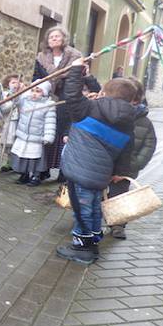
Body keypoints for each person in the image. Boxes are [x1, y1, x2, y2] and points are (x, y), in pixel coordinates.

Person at [55, 58, 137, 265]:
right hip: (101, 175)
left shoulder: (90, 109)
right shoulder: (128, 123)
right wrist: (118, 172)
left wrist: (75, 70)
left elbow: (71, 96)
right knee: (92, 208)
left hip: (79, 171)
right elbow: (126, 152)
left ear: (105, 93)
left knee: (82, 211)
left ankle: (82, 249)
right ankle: (92, 242)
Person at [106, 78, 157, 239]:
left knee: (119, 197)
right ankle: (89, 221)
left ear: (136, 99)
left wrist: (130, 168)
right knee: (96, 194)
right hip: (104, 165)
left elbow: (148, 148)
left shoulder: (144, 122)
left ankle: (118, 225)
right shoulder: (108, 114)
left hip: (125, 169)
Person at [34, 26, 82, 181]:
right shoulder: (41, 57)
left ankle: (63, 171)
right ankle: (43, 169)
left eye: (57, 36)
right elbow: (37, 77)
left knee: (63, 135)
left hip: (65, 99)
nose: (54, 39)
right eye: (51, 37)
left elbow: (77, 78)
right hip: (47, 98)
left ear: (64, 39)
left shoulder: (74, 57)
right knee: (47, 134)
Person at [10, 81, 56, 186]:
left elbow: (50, 122)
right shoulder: (25, 101)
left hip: (37, 137)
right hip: (23, 135)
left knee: (35, 158)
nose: (34, 93)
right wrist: (15, 90)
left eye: (38, 91)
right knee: (23, 156)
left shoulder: (48, 105)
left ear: (44, 93)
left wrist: (48, 136)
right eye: (33, 90)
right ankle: (24, 174)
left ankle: (36, 176)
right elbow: (15, 100)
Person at [0, 75, 21, 171]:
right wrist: (13, 101)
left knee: (18, 143)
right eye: (13, 82)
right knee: (8, 142)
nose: (16, 84)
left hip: (20, 122)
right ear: (8, 84)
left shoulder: (22, 94)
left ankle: (17, 163)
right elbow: (4, 109)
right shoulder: (5, 95)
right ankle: (9, 161)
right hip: (10, 122)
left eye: (17, 82)